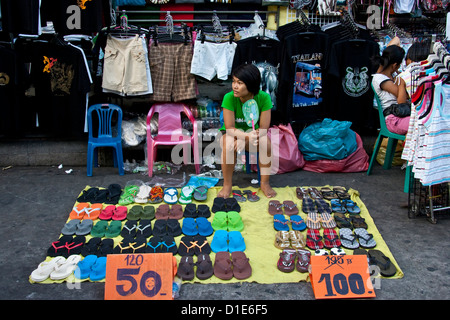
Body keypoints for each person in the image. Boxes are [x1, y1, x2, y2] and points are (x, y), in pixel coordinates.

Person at [217, 63, 277, 198]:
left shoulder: (263, 98)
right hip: (232, 135)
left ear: (251, 84)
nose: (235, 86)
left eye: (240, 83)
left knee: (265, 144)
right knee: (228, 143)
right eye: (233, 81)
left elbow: (263, 129)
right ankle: (227, 185)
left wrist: (248, 138)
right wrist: (244, 137)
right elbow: (230, 128)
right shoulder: (229, 97)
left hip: (254, 135)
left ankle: (265, 183)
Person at [371, 42, 410, 135]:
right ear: (395, 65)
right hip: (393, 120)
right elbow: (402, 100)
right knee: (420, 125)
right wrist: (402, 82)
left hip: (400, 116)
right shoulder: (379, 79)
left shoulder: (391, 77)